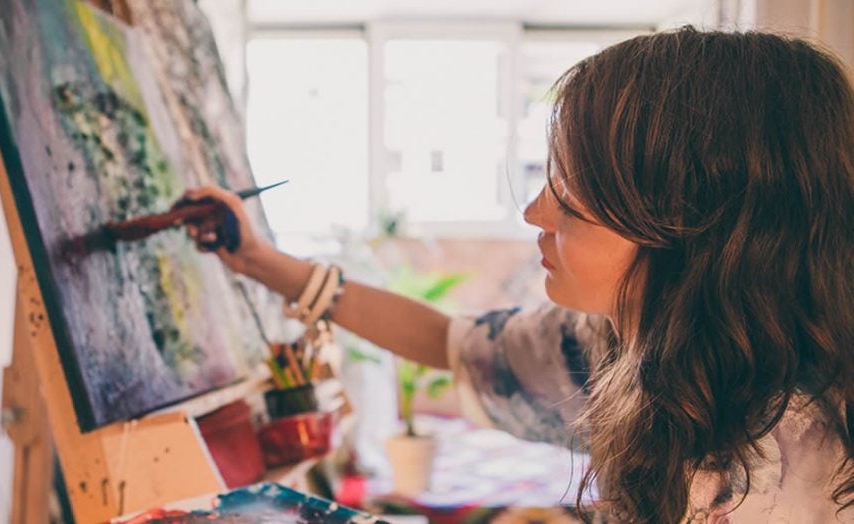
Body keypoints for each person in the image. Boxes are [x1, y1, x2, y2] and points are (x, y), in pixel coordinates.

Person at [175, 27, 854, 522]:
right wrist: (259, 262)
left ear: (686, 214)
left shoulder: (789, 475)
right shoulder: (622, 344)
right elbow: (448, 340)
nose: (535, 211)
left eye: (573, 186)